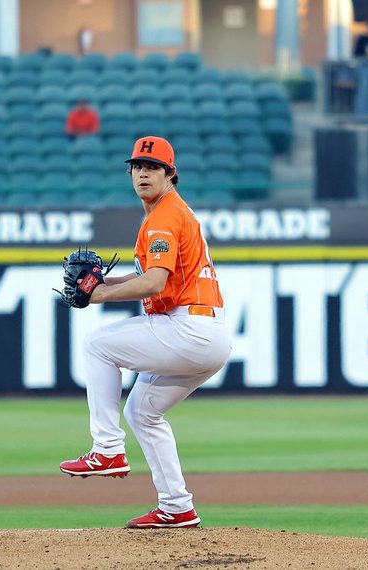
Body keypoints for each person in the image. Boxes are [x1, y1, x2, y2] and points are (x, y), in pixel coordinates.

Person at [59, 136, 232, 529]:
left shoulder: (164, 216)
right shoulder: (169, 213)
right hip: (207, 333)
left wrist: (99, 293)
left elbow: (153, 284)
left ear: (171, 174)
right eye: (137, 166)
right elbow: (148, 276)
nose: (143, 173)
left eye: (153, 167)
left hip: (189, 327)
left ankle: (107, 450)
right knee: (142, 412)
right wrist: (106, 282)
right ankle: (176, 506)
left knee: (97, 345)